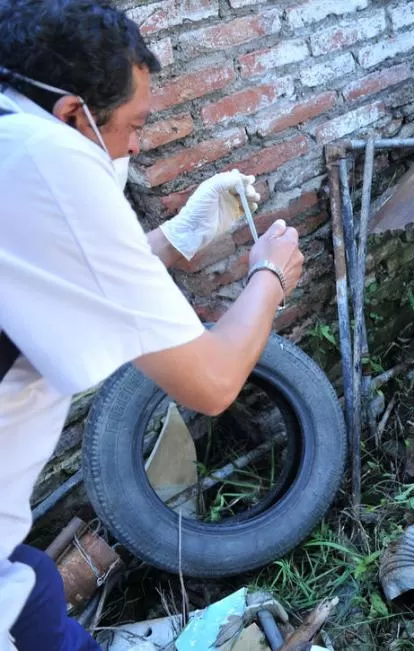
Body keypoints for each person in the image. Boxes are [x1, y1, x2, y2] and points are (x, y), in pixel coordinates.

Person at [0, 1, 305, 648]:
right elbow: (213, 382)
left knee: (35, 585)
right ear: (72, 113)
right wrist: (270, 276)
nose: (138, 145)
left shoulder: (11, 133)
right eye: (134, 125)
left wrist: (182, 232)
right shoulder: (49, 159)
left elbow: (69, 277)